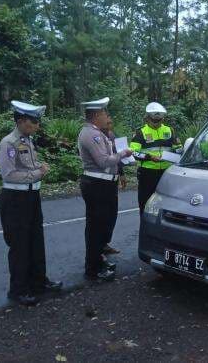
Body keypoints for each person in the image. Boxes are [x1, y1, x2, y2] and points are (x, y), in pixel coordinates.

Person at [0, 101, 62, 306]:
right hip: (15, 200)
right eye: (34, 121)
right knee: (19, 245)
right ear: (21, 121)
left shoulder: (28, 140)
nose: (37, 125)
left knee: (36, 241)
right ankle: (18, 290)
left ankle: (38, 282)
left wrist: (36, 173)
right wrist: (38, 172)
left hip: (32, 197)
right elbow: (10, 174)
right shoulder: (9, 143)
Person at [78, 97, 132, 281]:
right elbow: (103, 161)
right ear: (95, 116)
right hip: (97, 185)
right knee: (95, 228)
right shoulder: (90, 134)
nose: (106, 116)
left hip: (105, 184)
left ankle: (98, 261)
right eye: (103, 113)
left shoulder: (98, 133)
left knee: (102, 226)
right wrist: (123, 153)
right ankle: (92, 269)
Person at [130, 102, 181, 214]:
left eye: (159, 121)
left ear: (162, 119)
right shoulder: (141, 132)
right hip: (147, 173)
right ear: (148, 118)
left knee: (167, 202)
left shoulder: (169, 130)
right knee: (145, 203)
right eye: (154, 121)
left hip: (166, 172)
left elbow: (179, 149)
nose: (156, 123)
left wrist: (172, 154)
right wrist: (149, 157)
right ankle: (145, 227)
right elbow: (133, 152)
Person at [100, 114, 122, 256]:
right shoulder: (96, 137)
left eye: (111, 120)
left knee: (112, 214)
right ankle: (99, 246)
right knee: (101, 215)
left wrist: (122, 173)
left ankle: (105, 243)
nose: (110, 122)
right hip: (101, 180)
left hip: (113, 178)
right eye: (108, 120)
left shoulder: (112, 136)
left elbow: (118, 155)